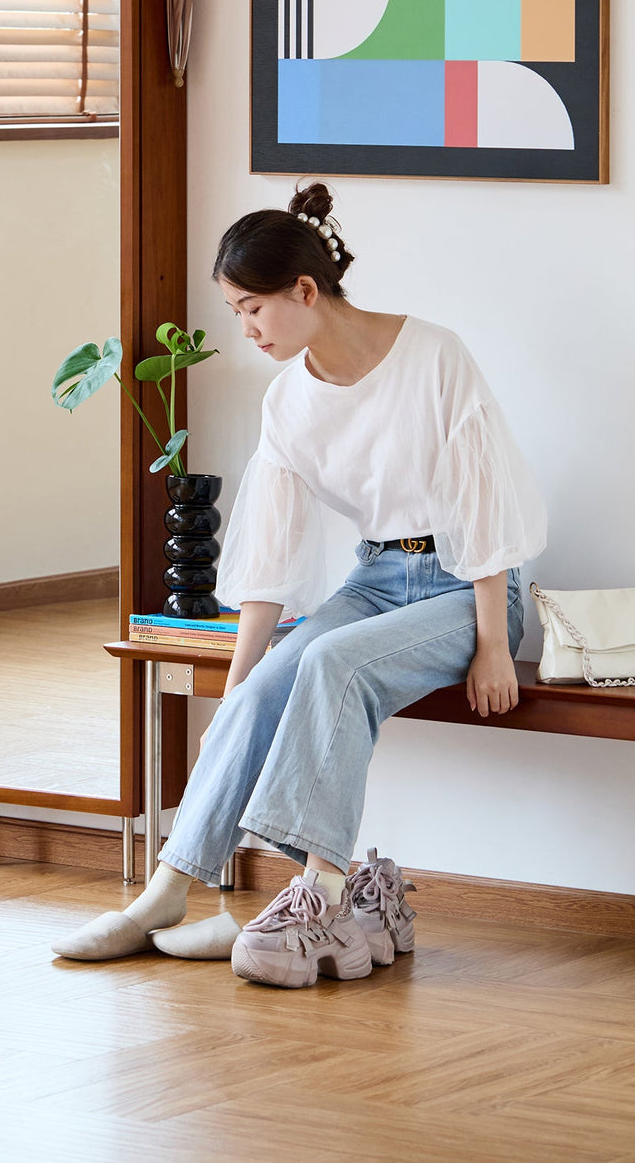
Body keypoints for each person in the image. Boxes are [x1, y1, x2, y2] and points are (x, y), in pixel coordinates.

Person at [53, 183, 547, 988]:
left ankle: (316, 899)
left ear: (305, 291)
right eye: (235, 312)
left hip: (468, 588)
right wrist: (238, 692)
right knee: (264, 683)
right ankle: (164, 895)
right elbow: (271, 559)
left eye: (252, 309)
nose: (245, 330)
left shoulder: (433, 356)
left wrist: (494, 643)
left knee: (331, 664)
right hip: (377, 579)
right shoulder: (288, 400)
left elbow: (483, 503)